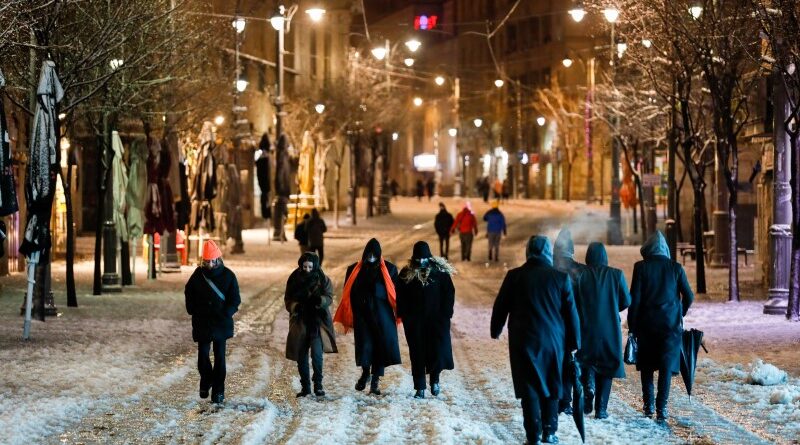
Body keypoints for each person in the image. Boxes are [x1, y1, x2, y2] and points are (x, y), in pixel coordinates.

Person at [491, 236, 580, 445]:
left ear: (528, 251)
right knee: (552, 383)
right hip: (553, 341)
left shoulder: (515, 276)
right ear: (548, 252)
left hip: (523, 339)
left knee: (528, 386)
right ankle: (550, 431)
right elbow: (571, 313)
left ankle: (533, 435)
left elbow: (500, 305)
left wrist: (496, 329)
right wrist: (575, 343)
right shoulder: (560, 278)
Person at [628, 231, 694, 423]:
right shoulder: (676, 268)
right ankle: (661, 408)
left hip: (646, 325)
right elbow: (689, 296)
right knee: (666, 367)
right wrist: (679, 313)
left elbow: (635, 300)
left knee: (647, 366)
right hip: (670, 327)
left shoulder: (641, 268)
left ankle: (648, 405)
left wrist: (633, 326)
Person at [334, 238, 401, 395]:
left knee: (380, 348)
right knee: (364, 346)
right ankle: (365, 373)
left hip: (382, 317)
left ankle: (375, 380)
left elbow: (396, 293)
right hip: (362, 316)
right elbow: (347, 292)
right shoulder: (353, 270)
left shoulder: (390, 269)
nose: (371, 258)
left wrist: (377, 291)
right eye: (368, 255)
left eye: (374, 255)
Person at [575, 242, 631, 419]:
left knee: (586, 360)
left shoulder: (580, 275)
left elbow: (573, 301)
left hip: (586, 328)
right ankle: (601, 409)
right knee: (608, 366)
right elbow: (626, 300)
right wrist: (612, 306)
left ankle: (589, 385)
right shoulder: (616, 274)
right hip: (609, 329)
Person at [396, 241, 456, 399]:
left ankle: (435, 380)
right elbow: (400, 295)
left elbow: (449, 293)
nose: (421, 261)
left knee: (436, 351)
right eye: (418, 258)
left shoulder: (440, 273)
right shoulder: (406, 273)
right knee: (417, 353)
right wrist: (405, 315)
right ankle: (420, 387)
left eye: (424, 258)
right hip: (414, 322)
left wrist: (446, 314)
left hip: (436, 321)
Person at [184, 240, 241, 404]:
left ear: (218, 259)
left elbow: (235, 298)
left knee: (220, 357)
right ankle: (206, 378)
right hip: (202, 321)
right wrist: (192, 309)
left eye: (213, 261)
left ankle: (218, 390)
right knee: (202, 356)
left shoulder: (228, 275)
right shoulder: (197, 275)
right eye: (207, 261)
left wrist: (227, 312)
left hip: (221, 321)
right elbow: (189, 293)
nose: (210, 264)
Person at [285, 252, 337, 398]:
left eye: (310, 266)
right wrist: (295, 306)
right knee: (301, 356)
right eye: (304, 266)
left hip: (317, 321)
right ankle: (306, 387)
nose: (307, 269)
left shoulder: (322, 279)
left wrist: (320, 301)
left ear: (315, 266)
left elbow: (329, 296)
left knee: (317, 355)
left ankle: (318, 385)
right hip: (300, 321)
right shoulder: (294, 279)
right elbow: (288, 299)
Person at [553, 228, 586, 415]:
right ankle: (566, 401)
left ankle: (554, 399)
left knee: (553, 362)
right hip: (573, 322)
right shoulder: (579, 270)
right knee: (570, 362)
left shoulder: (549, 268)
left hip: (552, 322)